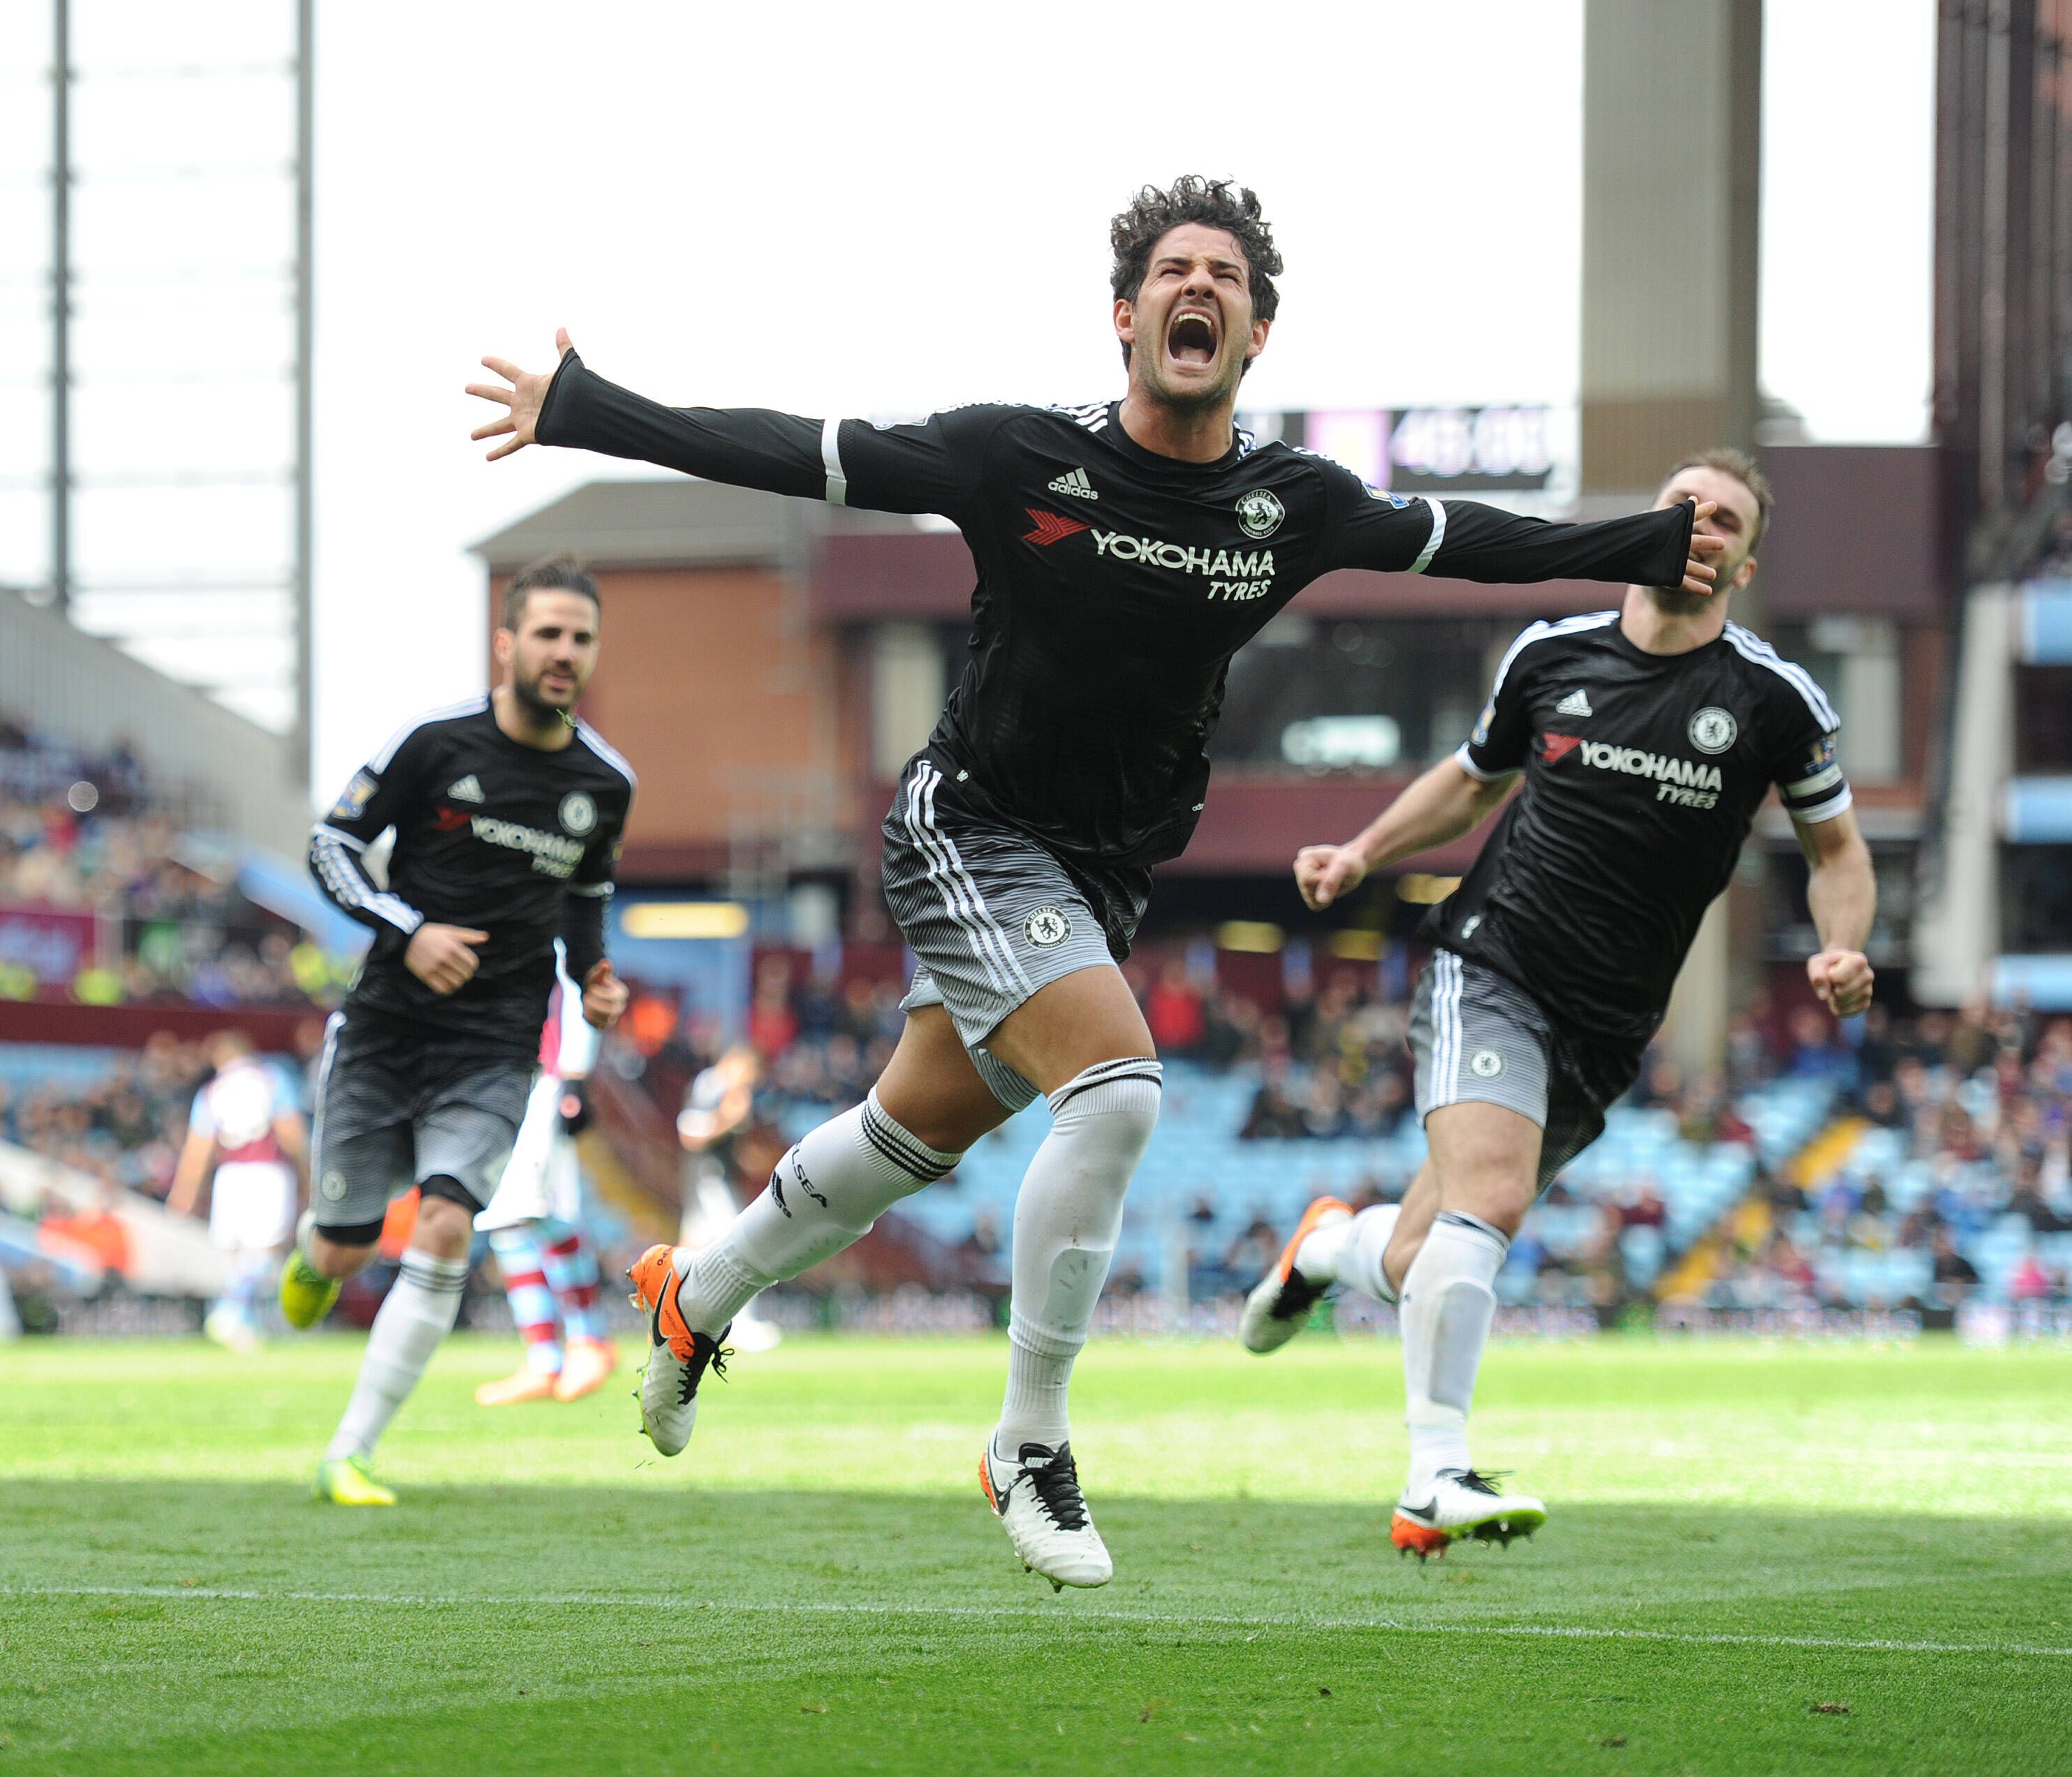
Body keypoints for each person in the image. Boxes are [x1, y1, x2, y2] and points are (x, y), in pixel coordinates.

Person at [467, 176, 1723, 1589]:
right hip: (969, 822)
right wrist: (587, 408)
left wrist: (1638, 547)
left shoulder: (1285, 504)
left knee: (909, 1135)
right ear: (1123, 315)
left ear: (1256, 334)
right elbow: (803, 451)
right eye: (1172, 270)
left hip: (1106, 871)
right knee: (1117, 1089)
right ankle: (1028, 1442)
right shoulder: (1014, 457)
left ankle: (696, 1296)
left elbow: (1469, 541)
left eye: (1226, 278)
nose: (1198, 288)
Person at [1242, 447, 1876, 1557]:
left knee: (1418, 1256)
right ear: (1645, 525)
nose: (1699, 524)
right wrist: (1360, 851)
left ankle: (1329, 1249)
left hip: (1608, 1022)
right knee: (1489, 1196)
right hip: (1492, 963)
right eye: (1680, 504)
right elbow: (1471, 778)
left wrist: (1841, 945)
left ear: (1743, 559)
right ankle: (1432, 1478)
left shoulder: (1772, 699)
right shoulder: (1550, 654)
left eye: (1723, 517)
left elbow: (1836, 848)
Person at [285, 555, 634, 1505]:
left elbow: (584, 905)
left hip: (497, 1042)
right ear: (507, 642)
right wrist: (410, 929)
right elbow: (332, 844)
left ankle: (349, 1452)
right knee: (345, 1243)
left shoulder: (604, 783)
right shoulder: (436, 746)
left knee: (444, 1224)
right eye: (549, 633)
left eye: (581, 637)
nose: (565, 652)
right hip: (386, 1027)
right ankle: (319, 1249)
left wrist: (595, 981)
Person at [472, 962, 620, 1405]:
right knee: (507, 1219)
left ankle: (589, 1342)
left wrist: (575, 1075)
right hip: (499, 1080)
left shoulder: (543, 906)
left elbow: (580, 981)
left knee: (534, 1212)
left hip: (543, 1078)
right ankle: (544, 1360)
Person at [166, 1030, 307, 1351]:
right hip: (268, 1169)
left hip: (229, 1174)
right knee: (265, 1250)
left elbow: (197, 1148)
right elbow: (290, 1132)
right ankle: (231, 1311)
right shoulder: (272, 1079)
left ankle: (240, 1323)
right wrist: (306, 1173)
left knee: (235, 1253)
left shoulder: (212, 1091)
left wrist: (184, 1191)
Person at [676, 1046, 782, 1354]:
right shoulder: (711, 1086)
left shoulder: (724, 1089)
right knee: (740, 1247)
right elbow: (690, 1134)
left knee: (691, 1254)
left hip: (714, 1178)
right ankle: (741, 1325)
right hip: (709, 1180)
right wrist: (727, 1118)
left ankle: (671, 1318)